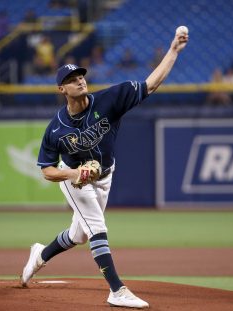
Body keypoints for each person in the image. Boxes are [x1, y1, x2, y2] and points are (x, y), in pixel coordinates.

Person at [20, 28, 189, 309]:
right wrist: (75, 174)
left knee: (79, 235)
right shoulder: (56, 129)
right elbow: (47, 170)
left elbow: (151, 85)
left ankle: (40, 254)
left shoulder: (109, 99)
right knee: (97, 227)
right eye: (71, 80)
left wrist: (173, 51)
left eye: (81, 76)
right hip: (76, 180)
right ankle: (117, 289)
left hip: (106, 175)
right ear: (61, 89)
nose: (80, 81)